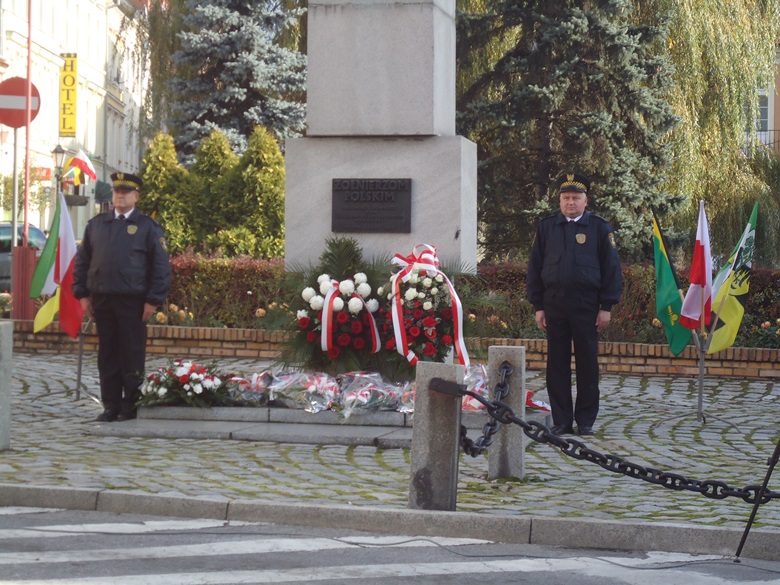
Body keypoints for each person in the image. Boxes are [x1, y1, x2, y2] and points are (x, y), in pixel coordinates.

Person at [526, 172, 622, 436]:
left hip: (587, 306)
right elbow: (535, 268)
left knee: (587, 364)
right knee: (556, 365)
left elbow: (612, 269)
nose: (570, 202)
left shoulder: (600, 228)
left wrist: (606, 307)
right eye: (566, 197)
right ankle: (562, 420)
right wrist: (538, 306)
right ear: (559, 200)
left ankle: (586, 420)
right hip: (554, 304)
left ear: (585, 201)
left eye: (575, 198)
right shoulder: (546, 228)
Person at [73, 172, 171, 422]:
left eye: (126, 192)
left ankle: (131, 405)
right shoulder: (97, 224)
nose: (120, 195)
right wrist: (82, 295)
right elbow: (82, 262)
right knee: (107, 354)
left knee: (131, 353)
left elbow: (160, 266)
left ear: (136, 197)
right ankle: (110, 405)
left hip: (133, 302)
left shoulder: (148, 227)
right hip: (102, 299)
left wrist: (153, 300)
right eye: (117, 191)